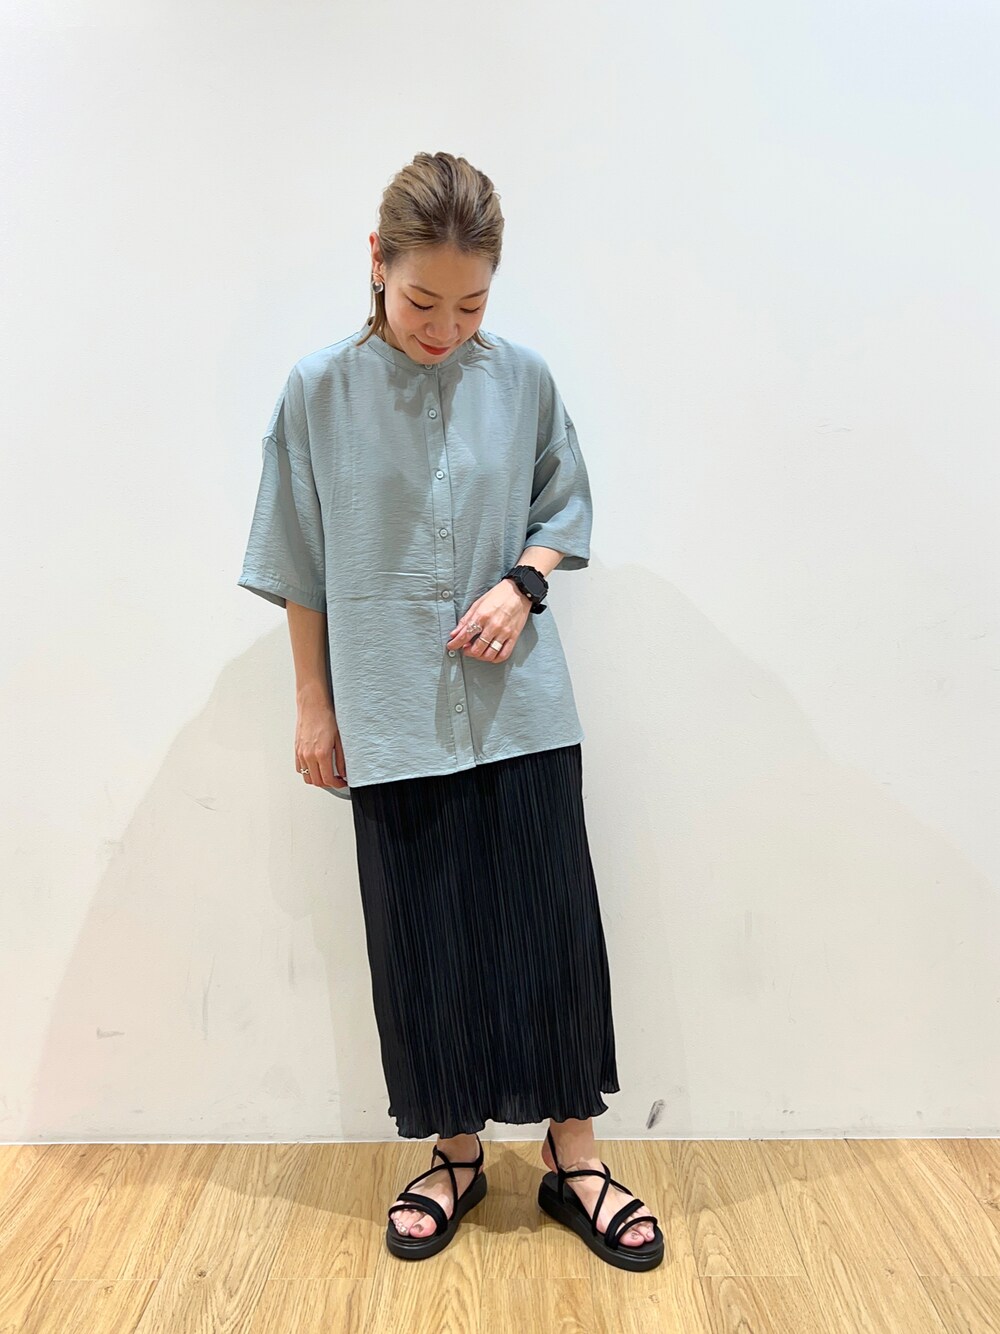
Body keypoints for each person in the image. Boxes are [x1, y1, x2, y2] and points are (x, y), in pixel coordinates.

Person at [238, 151, 663, 1271]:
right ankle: (455, 1154)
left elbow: (563, 503)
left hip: (520, 708)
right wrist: (314, 707)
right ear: (376, 262)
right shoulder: (316, 391)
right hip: (388, 708)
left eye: (470, 305)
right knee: (423, 938)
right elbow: (296, 561)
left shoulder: (521, 379)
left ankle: (576, 1155)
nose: (444, 327)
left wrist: (523, 583)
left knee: (551, 928)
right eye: (423, 299)